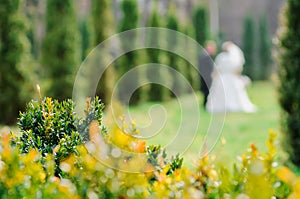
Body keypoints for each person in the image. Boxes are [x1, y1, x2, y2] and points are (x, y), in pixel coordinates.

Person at [206, 41, 257, 113]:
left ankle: (221, 107)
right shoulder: (233, 59)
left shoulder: (220, 57)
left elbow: (217, 70)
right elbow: (238, 70)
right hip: (232, 79)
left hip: (222, 79)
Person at [198, 40, 217, 108]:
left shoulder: (208, 56)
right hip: (205, 77)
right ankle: (205, 104)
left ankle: (206, 104)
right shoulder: (204, 55)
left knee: (207, 91)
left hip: (207, 77)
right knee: (206, 91)